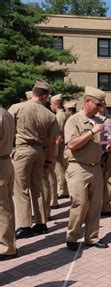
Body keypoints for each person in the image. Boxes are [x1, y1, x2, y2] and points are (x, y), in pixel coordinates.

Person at [64, 86, 111, 251]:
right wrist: (91, 132)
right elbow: (72, 144)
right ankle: (72, 237)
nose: (100, 108)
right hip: (78, 167)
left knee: (95, 205)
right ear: (87, 101)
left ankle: (92, 238)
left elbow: (104, 145)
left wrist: (110, 145)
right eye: (98, 105)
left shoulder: (102, 121)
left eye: (102, 105)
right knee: (80, 204)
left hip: (96, 167)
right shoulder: (74, 120)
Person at [9, 80, 59, 238]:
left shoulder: (17, 107)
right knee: (37, 188)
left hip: (23, 149)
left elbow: (6, 129)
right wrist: (48, 161)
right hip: (40, 152)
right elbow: (53, 142)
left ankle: (25, 226)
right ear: (44, 96)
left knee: (21, 188)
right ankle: (41, 223)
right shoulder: (50, 115)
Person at [0, 105, 16, 261]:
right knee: (7, 205)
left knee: (2, 208)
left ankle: (6, 247)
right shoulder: (6, 113)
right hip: (6, 161)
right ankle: (9, 243)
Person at [96, 103, 111, 217]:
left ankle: (106, 206)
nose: (104, 106)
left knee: (109, 179)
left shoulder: (110, 120)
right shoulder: (92, 119)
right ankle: (96, 207)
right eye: (101, 104)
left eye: (104, 104)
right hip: (97, 153)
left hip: (109, 152)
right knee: (97, 181)